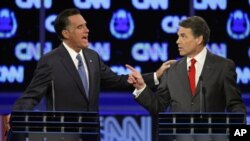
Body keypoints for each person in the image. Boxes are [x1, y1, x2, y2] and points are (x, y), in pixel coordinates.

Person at [4, 8, 175, 141]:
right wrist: (18, 114)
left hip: (91, 135)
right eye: (80, 27)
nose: (87, 30)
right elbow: (31, 96)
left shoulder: (92, 57)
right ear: (65, 33)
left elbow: (117, 81)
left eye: (85, 25)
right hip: (63, 136)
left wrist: (156, 75)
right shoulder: (51, 61)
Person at [126, 16, 246, 141]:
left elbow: (235, 105)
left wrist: (237, 134)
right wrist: (141, 87)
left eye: (183, 36)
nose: (177, 41)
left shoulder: (223, 67)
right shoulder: (172, 70)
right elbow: (159, 106)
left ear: (199, 39)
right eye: (178, 36)